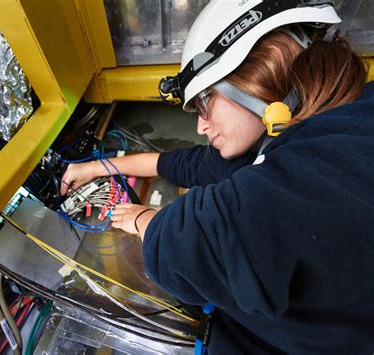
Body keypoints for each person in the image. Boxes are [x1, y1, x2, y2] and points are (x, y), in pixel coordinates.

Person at [60, 0, 374, 353]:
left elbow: (200, 241)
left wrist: (146, 220)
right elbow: (182, 164)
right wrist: (92, 169)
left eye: (204, 102)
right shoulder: (289, 133)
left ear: (259, 75)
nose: (199, 124)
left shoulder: (352, 144)